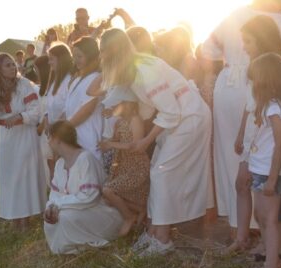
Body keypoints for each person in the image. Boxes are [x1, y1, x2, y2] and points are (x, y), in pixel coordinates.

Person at [101, 28, 212, 255]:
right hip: (178, 119)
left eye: (104, 52)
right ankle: (153, 231)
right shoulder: (136, 68)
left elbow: (170, 111)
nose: (102, 58)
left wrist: (145, 141)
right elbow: (148, 107)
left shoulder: (142, 70)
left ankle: (162, 238)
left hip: (189, 118)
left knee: (161, 173)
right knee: (156, 170)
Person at [201, 0, 281, 242]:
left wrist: (217, 69)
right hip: (257, 93)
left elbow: (208, 49)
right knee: (257, 161)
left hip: (229, 87)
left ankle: (240, 228)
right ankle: (256, 228)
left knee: (234, 161)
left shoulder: (236, 14)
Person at [226, 15, 281, 255]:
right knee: (241, 183)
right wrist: (241, 131)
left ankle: (266, 242)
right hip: (252, 130)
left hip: (267, 136)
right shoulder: (253, 65)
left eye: (248, 41)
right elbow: (249, 102)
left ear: (262, 39)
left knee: (260, 189)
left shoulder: (276, 66)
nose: (244, 46)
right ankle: (242, 237)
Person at [0, 53, 48, 228]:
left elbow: (36, 111)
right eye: (8, 65)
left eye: (13, 64)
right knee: (10, 177)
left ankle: (26, 219)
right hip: (7, 138)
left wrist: (19, 117)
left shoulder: (25, 85)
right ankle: (15, 218)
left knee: (24, 175)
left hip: (25, 135)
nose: (13, 68)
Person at [245, 53, 281, 268]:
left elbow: (280, 144)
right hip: (261, 170)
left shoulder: (275, 108)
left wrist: (272, 179)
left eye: (254, 78)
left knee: (269, 220)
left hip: (269, 172)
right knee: (261, 217)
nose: (252, 83)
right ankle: (272, 260)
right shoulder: (267, 106)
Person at [44, 120, 123, 253]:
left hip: (99, 210)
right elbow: (54, 194)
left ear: (58, 139)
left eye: (49, 137)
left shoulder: (85, 158)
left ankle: (82, 243)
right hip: (72, 210)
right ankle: (71, 243)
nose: (48, 142)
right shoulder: (59, 164)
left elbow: (89, 197)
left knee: (65, 217)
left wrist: (58, 205)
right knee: (51, 220)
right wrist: (50, 208)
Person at [97, 87, 151, 236]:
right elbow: (115, 140)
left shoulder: (135, 120)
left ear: (127, 104)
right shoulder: (120, 122)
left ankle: (129, 217)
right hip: (123, 165)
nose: (113, 108)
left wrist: (111, 145)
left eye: (115, 105)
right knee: (107, 196)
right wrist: (105, 143)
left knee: (108, 191)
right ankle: (140, 210)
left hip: (136, 167)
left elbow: (136, 146)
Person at [65, 37, 103, 163]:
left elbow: (87, 110)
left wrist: (63, 129)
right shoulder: (76, 79)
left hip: (89, 138)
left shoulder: (96, 78)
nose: (75, 60)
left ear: (91, 56)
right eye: (74, 56)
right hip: (75, 137)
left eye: (79, 56)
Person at [41, 44, 73, 177]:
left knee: (63, 165)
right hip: (52, 131)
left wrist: (57, 128)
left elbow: (69, 107)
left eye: (51, 59)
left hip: (64, 131)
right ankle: (55, 192)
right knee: (53, 163)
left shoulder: (70, 79)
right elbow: (48, 105)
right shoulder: (54, 80)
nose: (49, 62)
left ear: (61, 59)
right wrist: (47, 121)